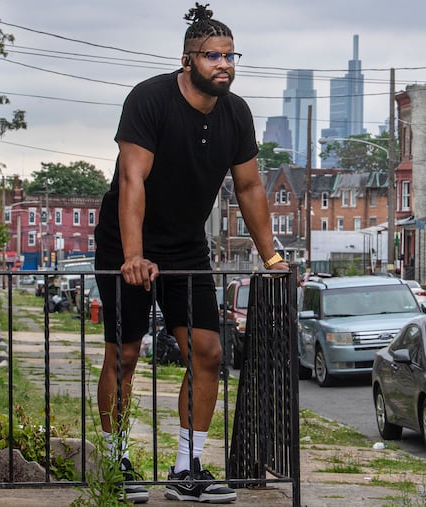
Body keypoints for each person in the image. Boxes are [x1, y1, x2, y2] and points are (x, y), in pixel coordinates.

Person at [93, 3, 287, 503]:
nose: (223, 64)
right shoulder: (150, 100)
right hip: (125, 242)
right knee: (126, 353)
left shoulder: (236, 113)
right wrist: (133, 255)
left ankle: (188, 468)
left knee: (208, 351)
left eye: (230, 55)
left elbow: (248, 187)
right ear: (187, 60)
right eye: (212, 56)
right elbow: (133, 177)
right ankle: (116, 461)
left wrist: (272, 260)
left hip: (186, 246)